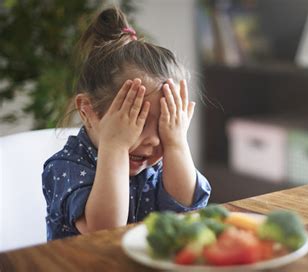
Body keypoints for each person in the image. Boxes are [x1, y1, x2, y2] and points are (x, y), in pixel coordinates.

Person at [42, 7, 211, 240]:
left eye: (164, 126)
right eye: (137, 123)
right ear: (87, 111)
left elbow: (188, 209)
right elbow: (104, 231)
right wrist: (116, 147)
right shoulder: (66, 166)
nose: (153, 139)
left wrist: (176, 143)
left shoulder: (161, 162)